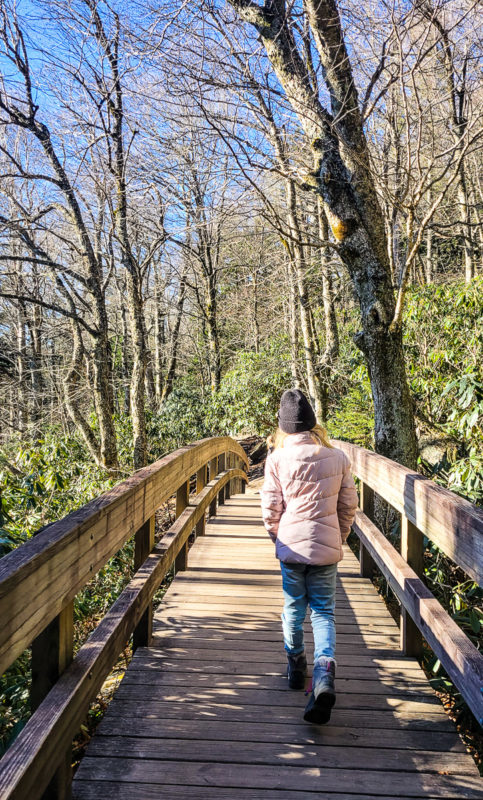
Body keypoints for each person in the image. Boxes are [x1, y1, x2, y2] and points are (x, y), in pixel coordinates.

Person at [261, 389, 358, 724]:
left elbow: (271, 508)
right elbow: (348, 507)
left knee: (292, 607)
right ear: (314, 422)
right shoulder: (338, 457)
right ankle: (324, 673)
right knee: (323, 613)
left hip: (291, 549)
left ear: (284, 428)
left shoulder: (276, 459)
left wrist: (279, 538)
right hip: (326, 551)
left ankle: (295, 664)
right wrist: (338, 538)